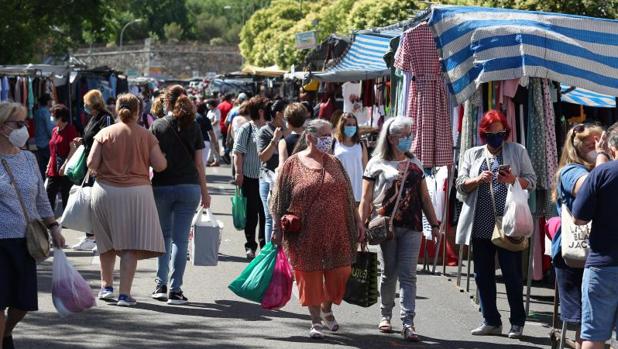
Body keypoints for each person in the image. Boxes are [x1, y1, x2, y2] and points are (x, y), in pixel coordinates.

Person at [270, 119, 362, 339]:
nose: (328, 139)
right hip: (304, 234)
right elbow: (277, 199)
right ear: (310, 137)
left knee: (340, 273)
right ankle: (315, 320)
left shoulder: (335, 163)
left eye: (329, 135)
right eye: (323, 135)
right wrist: (276, 227)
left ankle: (327, 308)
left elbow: (349, 197)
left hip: (338, 230)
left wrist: (358, 222)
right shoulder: (292, 164)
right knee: (309, 277)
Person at [455, 110, 537, 339]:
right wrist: (478, 179)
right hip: (481, 223)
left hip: (509, 223)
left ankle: (517, 322)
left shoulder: (517, 151)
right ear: (483, 133)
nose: (497, 137)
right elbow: (460, 185)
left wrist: (513, 180)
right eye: (492, 133)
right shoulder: (472, 154)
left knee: (512, 275)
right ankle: (490, 320)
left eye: (501, 132)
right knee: (482, 275)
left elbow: (532, 180)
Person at [358, 117, 440, 342]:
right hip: (387, 227)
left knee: (408, 275)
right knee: (388, 273)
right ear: (392, 138)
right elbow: (365, 199)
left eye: (409, 134)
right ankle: (385, 315)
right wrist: (360, 226)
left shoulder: (416, 164)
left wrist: (434, 224)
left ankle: (408, 322)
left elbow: (424, 197)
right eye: (404, 135)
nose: (409, 138)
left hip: (412, 226)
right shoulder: (375, 164)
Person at [87, 93, 167, 307]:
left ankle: (106, 287)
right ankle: (124, 294)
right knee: (130, 245)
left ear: (116, 109)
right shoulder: (146, 135)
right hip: (136, 193)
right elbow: (159, 165)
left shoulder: (104, 133)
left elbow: (91, 163)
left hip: (104, 192)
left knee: (106, 243)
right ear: (138, 111)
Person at [0, 102, 65, 349]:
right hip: (0, 242)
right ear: (1, 126)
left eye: (26, 123)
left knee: (23, 302)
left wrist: (54, 227)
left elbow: (40, 199)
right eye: (18, 124)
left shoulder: (28, 158)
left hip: (25, 241)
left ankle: (5, 335)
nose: (24, 129)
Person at [150, 86, 211, 305]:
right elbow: (199, 163)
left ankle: (160, 285)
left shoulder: (156, 126)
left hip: (162, 187)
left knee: (164, 237)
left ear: (166, 102)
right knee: (180, 239)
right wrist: (205, 190)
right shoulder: (193, 126)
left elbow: (150, 160)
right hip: (189, 187)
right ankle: (176, 290)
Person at [553, 123, 605, 349]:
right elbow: (589, 189)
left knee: (590, 321)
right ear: (577, 146)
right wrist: (604, 158)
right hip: (574, 254)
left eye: (598, 140)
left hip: (594, 253)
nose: (595, 145)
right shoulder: (572, 171)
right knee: (583, 321)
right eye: (590, 142)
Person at [572, 126, 618, 349]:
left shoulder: (602, 173)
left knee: (593, 335)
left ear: (611, 147)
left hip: (603, 265)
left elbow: (579, 218)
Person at [71, 89, 115, 252]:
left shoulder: (106, 117)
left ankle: (101, 238)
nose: (84, 106)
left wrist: (101, 165)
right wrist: (82, 140)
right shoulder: (94, 117)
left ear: (92, 104)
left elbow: (108, 141)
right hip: (90, 166)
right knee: (89, 202)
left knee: (99, 204)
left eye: (86, 103)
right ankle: (90, 237)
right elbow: (92, 138)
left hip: (100, 167)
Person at [233, 96, 268, 259]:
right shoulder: (247, 128)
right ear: (261, 111)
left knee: (266, 214)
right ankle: (250, 246)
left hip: (267, 179)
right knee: (252, 213)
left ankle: (264, 246)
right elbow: (238, 152)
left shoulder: (270, 128)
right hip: (250, 177)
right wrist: (238, 173)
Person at [257, 99, 288, 243]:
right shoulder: (264, 131)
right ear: (278, 114)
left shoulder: (289, 131)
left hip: (285, 179)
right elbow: (263, 157)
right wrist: (275, 140)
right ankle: (269, 252)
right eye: (286, 112)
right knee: (270, 216)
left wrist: (286, 133)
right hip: (268, 178)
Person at [45, 105, 78, 213]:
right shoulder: (55, 130)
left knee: (65, 193)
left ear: (61, 117)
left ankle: (66, 219)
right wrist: (49, 165)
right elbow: (52, 150)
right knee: (49, 191)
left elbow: (72, 149)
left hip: (66, 165)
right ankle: (48, 218)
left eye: (54, 116)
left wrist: (65, 165)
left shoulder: (70, 129)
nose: (52, 118)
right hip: (54, 165)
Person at [333, 113, 368, 204]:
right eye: (348, 125)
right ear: (342, 126)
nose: (351, 127)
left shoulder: (360, 144)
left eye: (354, 125)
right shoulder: (334, 143)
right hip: (339, 191)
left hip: (358, 191)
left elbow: (366, 169)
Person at [34, 94, 54, 178]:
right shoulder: (45, 112)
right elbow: (49, 128)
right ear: (47, 102)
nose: (51, 102)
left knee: (41, 166)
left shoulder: (37, 112)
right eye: (50, 100)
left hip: (38, 142)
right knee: (49, 165)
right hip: (46, 142)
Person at [196, 102, 220, 169]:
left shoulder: (192, 118)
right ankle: (202, 178)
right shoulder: (205, 119)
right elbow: (211, 132)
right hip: (205, 141)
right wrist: (215, 142)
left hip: (194, 142)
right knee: (203, 163)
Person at [218, 94, 234, 162]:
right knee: (229, 140)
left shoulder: (220, 105)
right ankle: (226, 152)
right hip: (228, 125)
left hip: (221, 125)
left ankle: (225, 151)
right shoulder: (230, 105)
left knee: (224, 139)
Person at [205, 99, 221, 166]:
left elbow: (216, 121)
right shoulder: (209, 112)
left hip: (215, 130)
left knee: (213, 145)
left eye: (209, 104)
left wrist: (209, 124)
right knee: (211, 145)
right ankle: (212, 159)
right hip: (209, 130)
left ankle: (213, 160)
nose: (208, 105)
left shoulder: (217, 111)